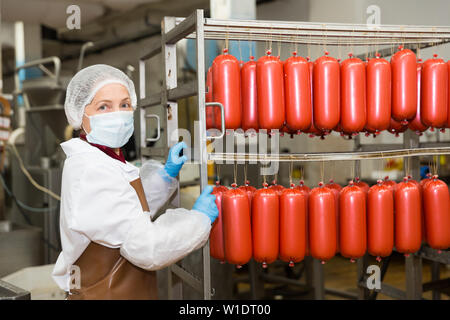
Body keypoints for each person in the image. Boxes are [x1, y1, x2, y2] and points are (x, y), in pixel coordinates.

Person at [52, 64, 218, 300]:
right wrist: (198, 220)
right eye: (103, 107)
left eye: (124, 104)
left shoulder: (104, 158)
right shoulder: (91, 170)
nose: (117, 114)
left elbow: (124, 209)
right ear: (81, 115)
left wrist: (165, 177)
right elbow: (147, 248)